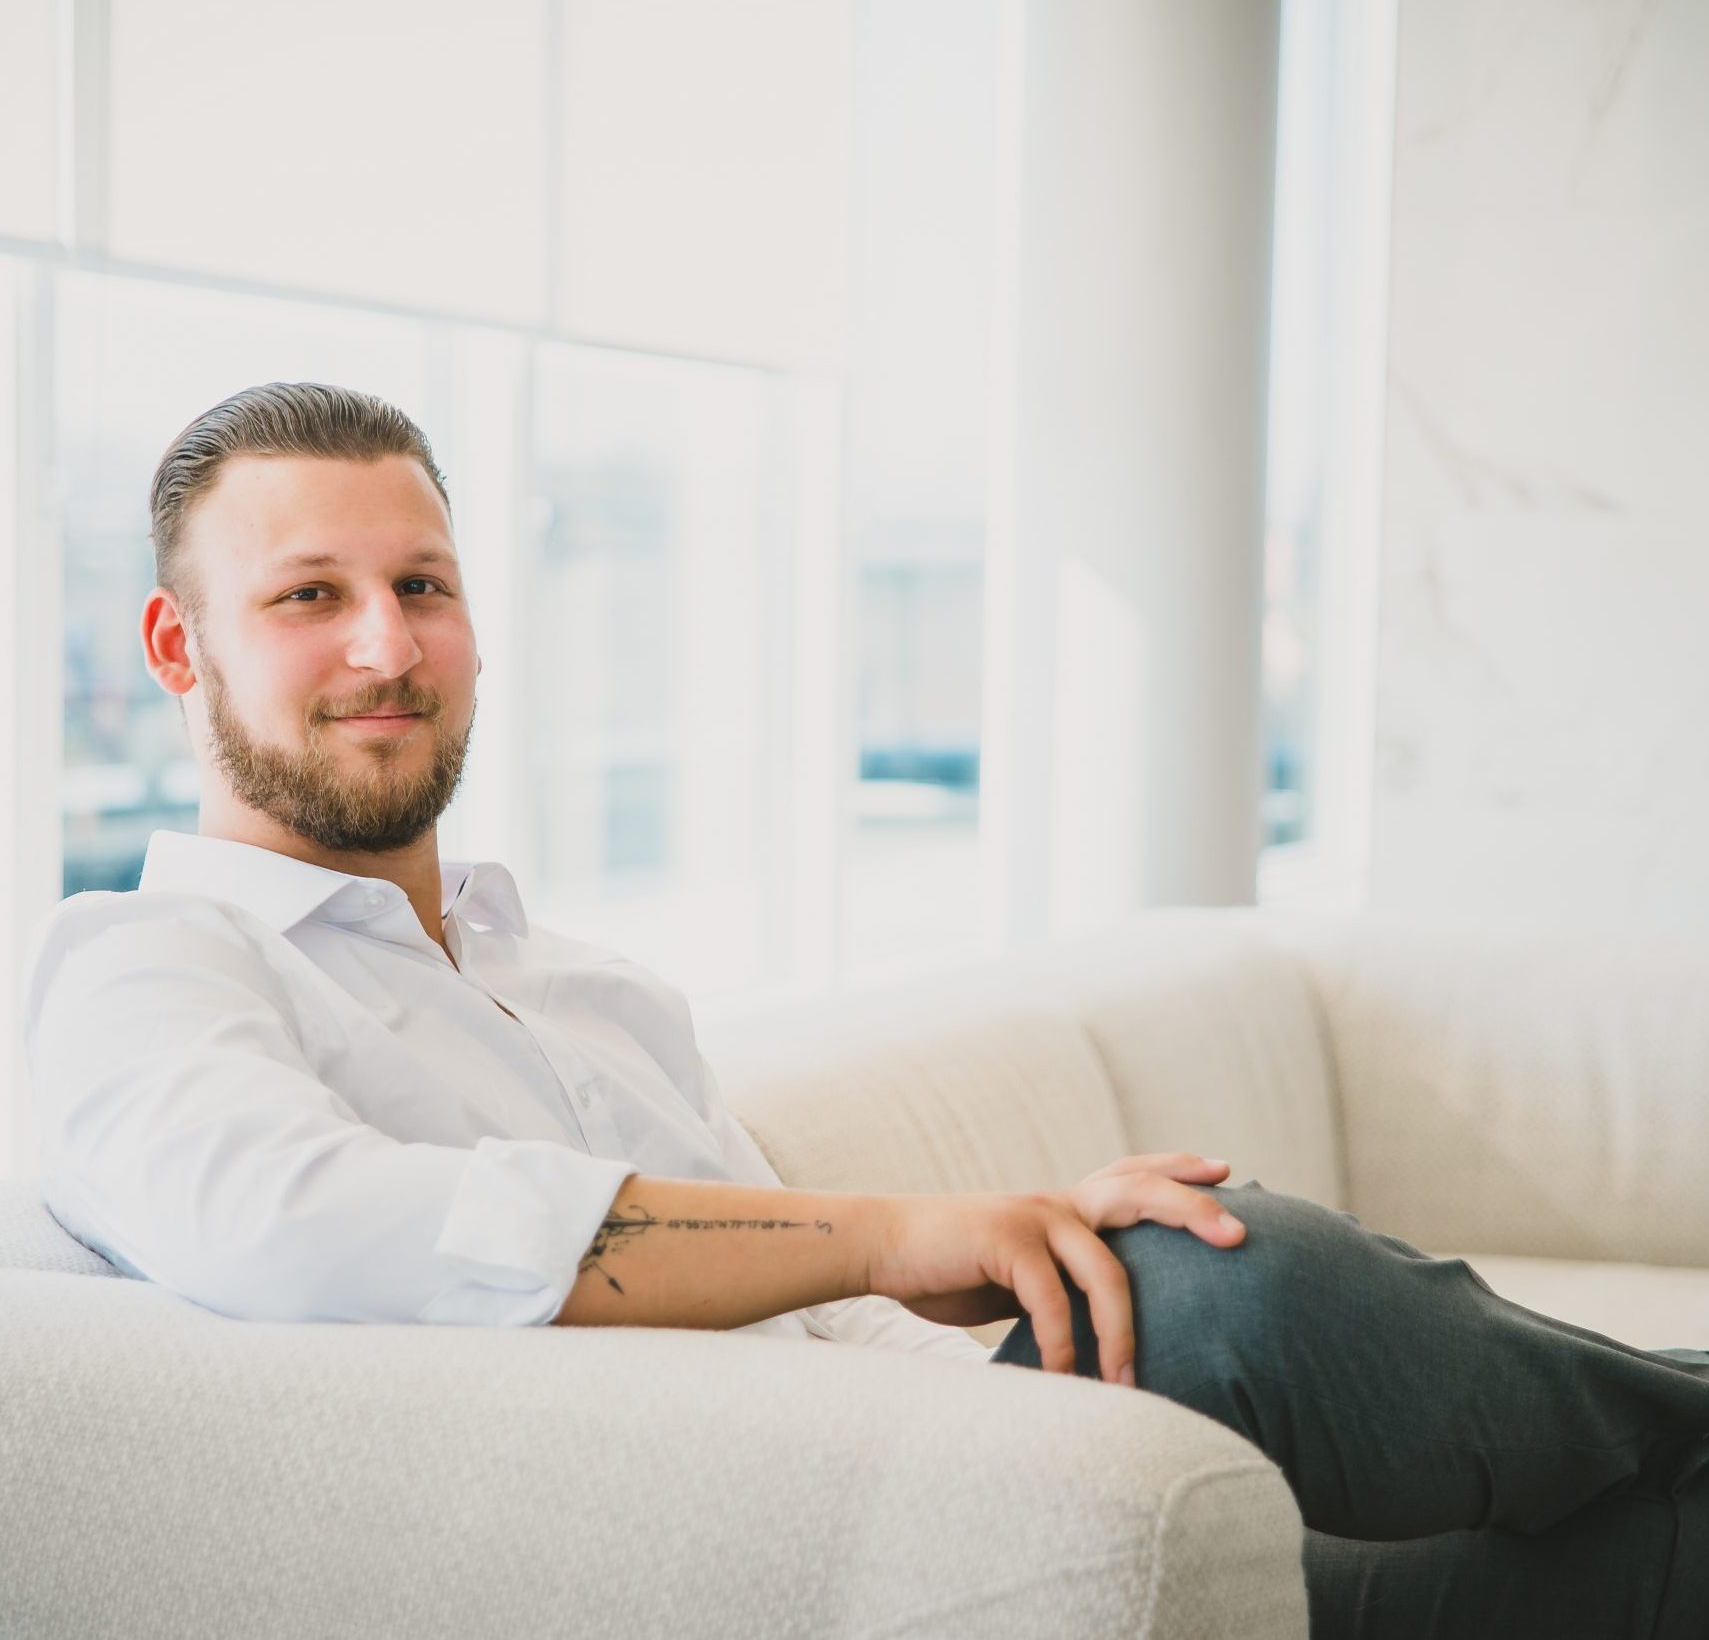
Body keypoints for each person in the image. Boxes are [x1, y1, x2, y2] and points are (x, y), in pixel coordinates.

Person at [23, 382, 1709, 1639]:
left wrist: (1022, 1263)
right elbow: (294, 1225)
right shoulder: (141, 963)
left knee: (1614, 1565)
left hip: (967, 1471)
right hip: (755, 1530)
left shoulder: (589, 988)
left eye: (426, 586)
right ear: (178, 648)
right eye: (308, 593)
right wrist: (900, 1226)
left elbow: (840, 1323)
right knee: (1225, 1287)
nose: (387, 642)